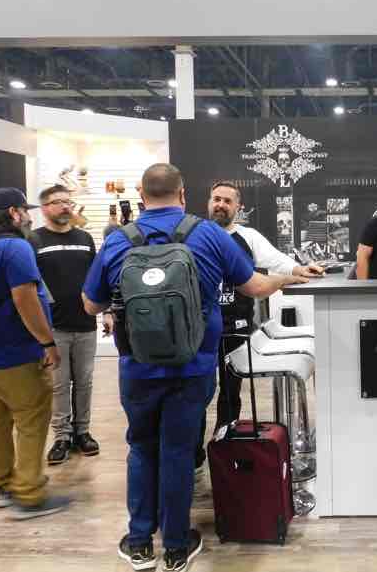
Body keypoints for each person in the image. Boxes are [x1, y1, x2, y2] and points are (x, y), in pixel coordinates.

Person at [82, 164, 305, 572]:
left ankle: (139, 542)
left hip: (137, 368)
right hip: (193, 365)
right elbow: (255, 286)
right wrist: (287, 280)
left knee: (141, 448)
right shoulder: (208, 234)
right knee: (179, 450)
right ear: (183, 194)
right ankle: (176, 546)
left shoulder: (118, 240)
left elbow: (90, 304)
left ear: (141, 195)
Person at [195, 180, 324, 470]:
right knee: (198, 392)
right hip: (200, 328)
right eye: (216, 199)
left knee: (230, 394)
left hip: (236, 327)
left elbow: (276, 260)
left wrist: (299, 269)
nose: (220, 205)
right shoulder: (196, 234)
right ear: (209, 201)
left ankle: (225, 450)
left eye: (227, 201)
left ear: (238, 207)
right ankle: (194, 454)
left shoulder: (247, 236)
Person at [0, 188, 72, 520]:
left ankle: (4, 486)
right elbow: (24, 297)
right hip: (16, 352)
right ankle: (29, 495)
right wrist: (47, 342)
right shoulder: (15, 247)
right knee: (32, 417)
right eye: (25, 210)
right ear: (13, 213)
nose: (29, 217)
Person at [32, 185, 101, 465]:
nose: (64, 206)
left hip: (85, 323)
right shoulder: (34, 240)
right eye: (57, 202)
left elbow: (96, 278)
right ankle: (62, 436)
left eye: (67, 201)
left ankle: (83, 432)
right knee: (59, 384)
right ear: (44, 208)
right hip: (53, 327)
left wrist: (107, 312)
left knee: (84, 382)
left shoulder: (85, 238)